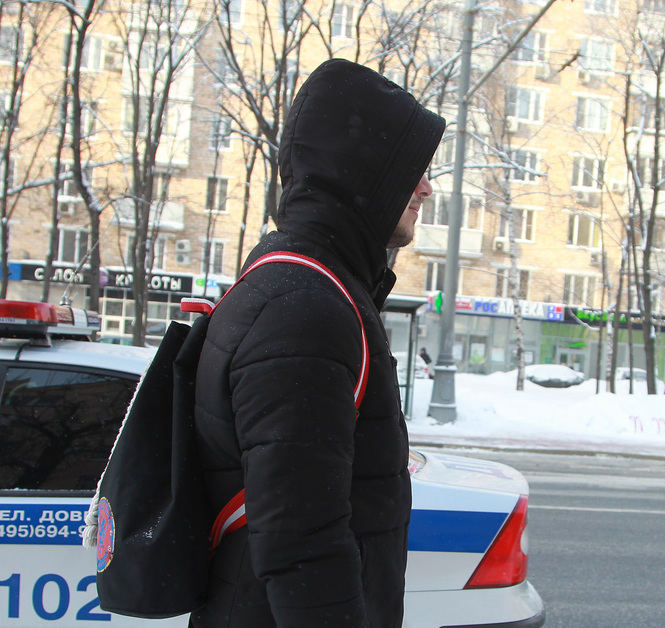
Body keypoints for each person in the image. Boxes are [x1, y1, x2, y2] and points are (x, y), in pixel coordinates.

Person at [190, 59, 444, 627]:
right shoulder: (306, 309)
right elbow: (303, 546)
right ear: (365, 170)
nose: (426, 188)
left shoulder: (300, 284)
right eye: (413, 168)